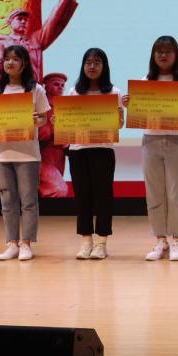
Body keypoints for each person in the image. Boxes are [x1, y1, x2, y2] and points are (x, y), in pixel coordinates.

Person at [124, 36, 178, 261]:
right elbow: (140, 113)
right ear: (153, 55)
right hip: (151, 140)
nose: (163, 55)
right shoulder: (146, 80)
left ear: (176, 54)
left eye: (168, 51)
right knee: (154, 193)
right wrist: (131, 105)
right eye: (159, 51)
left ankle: (176, 240)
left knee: (176, 193)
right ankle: (160, 240)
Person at [0, 45, 50, 261]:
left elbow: (44, 118)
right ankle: (12, 243)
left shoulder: (35, 89)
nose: (10, 63)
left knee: (28, 201)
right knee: (7, 200)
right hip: (1, 153)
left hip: (28, 154)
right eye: (7, 59)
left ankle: (26, 243)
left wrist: (36, 120)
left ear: (24, 64)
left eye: (15, 59)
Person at [65, 48, 123, 260]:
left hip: (103, 150)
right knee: (83, 197)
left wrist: (120, 117)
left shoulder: (113, 92)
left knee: (103, 197)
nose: (92, 66)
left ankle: (101, 243)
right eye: (88, 62)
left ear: (104, 67)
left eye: (97, 63)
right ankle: (86, 241)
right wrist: (60, 121)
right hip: (78, 151)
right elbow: (67, 124)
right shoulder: (74, 92)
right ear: (83, 66)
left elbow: (119, 125)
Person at [37, 72, 70, 197]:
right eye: (56, 84)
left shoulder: (66, 108)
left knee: (53, 190)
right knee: (57, 188)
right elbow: (39, 134)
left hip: (59, 155)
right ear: (46, 86)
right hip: (44, 154)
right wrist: (52, 127)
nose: (60, 87)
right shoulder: (41, 105)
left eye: (62, 85)